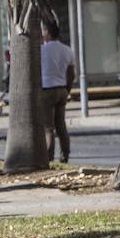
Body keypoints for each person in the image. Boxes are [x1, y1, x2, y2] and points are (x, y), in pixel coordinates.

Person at [40, 18, 75, 164]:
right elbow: (71, 74)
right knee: (61, 125)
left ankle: (49, 157)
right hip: (62, 90)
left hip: (47, 89)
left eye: (43, 31)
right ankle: (64, 155)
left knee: (48, 127)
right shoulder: (67, 50)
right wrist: (67, 89)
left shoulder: (42, 50)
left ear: (47, 32)